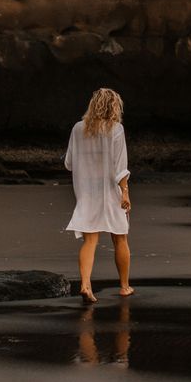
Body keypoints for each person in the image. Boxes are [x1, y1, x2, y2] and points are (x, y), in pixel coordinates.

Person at [64, 88, 133, 304]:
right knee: (119, 237)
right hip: (110, 191)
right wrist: (125, 193)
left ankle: (85, 285)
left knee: (90, 240)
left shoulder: (78, 128)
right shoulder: (116, 129)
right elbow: (120, 166)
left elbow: (68, 163)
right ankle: (124, 287)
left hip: (86, 191)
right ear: (114, 106)